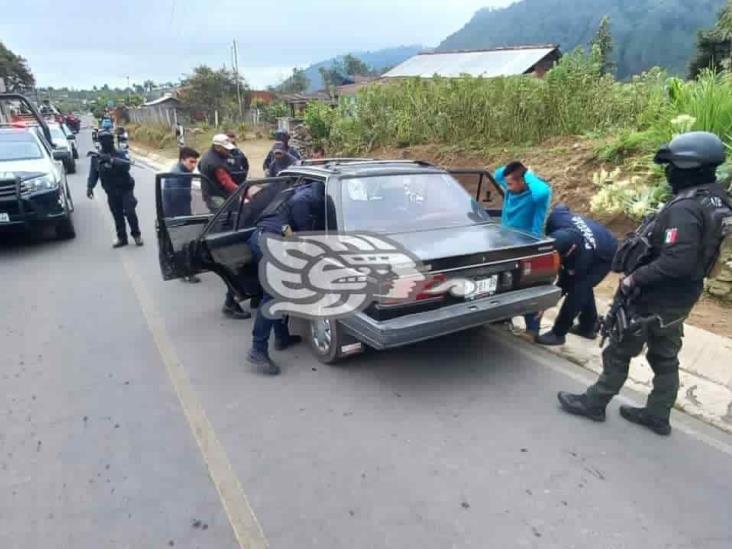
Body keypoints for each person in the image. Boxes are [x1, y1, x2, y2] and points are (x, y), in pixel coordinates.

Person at [558, 131, 732, 436]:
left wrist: (634, 278)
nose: (668, 172)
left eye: (672, 166)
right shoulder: (716, 198)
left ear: (688, 167)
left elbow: (676, 260)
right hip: (682, 296)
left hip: (655, 295)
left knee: (620, 348)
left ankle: (595, 402)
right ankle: (657, 413)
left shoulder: (685, 208)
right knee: (665, 354)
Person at [246, 182, 326, 375]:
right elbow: (306, 238)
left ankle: (282, 337)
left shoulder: (295, 191)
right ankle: (257, 349)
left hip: (259, 237)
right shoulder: (306, 199)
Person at [536, 205, 618, 346]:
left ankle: (558, 334)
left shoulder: (581, 259)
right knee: (582, 285)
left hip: (606, 252)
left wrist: (545, 303)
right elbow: (562, 207)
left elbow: (564, 284)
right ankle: (588, 326)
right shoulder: (557, 219)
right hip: (593, 239)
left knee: (578, 289)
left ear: (569, 252)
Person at [494, 161, 552, 336]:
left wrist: (528, 174)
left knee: (530, 287)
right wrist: (518, 167)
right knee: (505, 283)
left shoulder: (537, 196)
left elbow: (542, 192)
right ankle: (504, 318)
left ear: (523, 181)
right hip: (506, 243)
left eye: (511, 184)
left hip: (528, 246)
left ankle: (532, 330)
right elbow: (497, 175)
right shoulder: (512, 188)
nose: (507, 188)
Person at [198, 134, 251, 319]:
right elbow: (227, 183)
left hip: (213, 194)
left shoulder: (210, 156)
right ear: (216, 147)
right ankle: (231, 303)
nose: (228, 150)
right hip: (217, 197)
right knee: (229, 221)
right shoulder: (215, 163)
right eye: (225, 147)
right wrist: (246, 196)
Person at [87, 131, 143, 248]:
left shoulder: (121, 153)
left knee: (130, 211)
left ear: (113, 141)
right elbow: (94, 173)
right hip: (111, 191)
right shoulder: (96, 157)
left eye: (109, 139)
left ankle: (136, 235)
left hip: (125, 188)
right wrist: (90, 187)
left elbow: (126, 166)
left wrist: (111, 160)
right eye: (103, 140)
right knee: (117, 215)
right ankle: (122, 238)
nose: (106, 142)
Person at [163, 146, 201, 283]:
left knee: (182, 243)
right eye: (191, 161)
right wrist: (186, 218)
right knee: (182, 244)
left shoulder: (183, 171)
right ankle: (185, 272)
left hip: (179, 212)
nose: (194, 165)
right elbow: (176, 197)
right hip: (176, 214)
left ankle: (183, 271)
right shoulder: (177, 174)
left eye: (195, 162)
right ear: (182, 160)